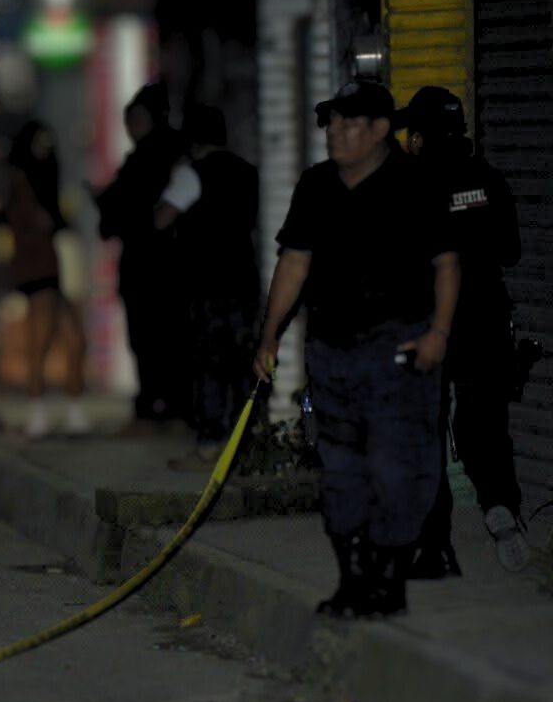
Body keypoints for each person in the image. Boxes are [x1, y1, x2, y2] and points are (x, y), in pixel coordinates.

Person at [253, 80, 459, 618]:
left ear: (379, 130)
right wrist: (270, 335)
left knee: (396, 469)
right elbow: (294, 262)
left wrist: (438, 333)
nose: (334, 134)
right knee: (342, 472)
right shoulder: (317, 186)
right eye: (331, 123)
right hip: (333, 350)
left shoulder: (414, 185)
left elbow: (446, 265)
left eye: (347, 124)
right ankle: (353, 579)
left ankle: (388, 581)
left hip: (397, 348)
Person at [398, 86, 530, 575]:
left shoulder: (410, 185)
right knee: (483, 426)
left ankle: (434, 549)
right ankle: (500, 503)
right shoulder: (489, 179)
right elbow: (511, 252)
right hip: (486, 319)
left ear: (422, 135)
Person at [153, 105, 259, 471]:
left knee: (209, 363)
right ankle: (248, 442)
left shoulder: (191, 174)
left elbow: (162, 218)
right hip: (244, 279)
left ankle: (211, 445)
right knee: (243, 363)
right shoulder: (248, 172)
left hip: (206, 284)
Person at [96, 82, 189, 429]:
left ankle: (159, 403)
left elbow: (122, 213)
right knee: (163, 338)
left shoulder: (147, 160)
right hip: (166, 266)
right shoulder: (172, 154)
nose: (131, 129)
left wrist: (107, 203)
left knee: (152, 339)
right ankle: (166, 403)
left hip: (151, 266)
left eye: (136, 120)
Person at [3, 119, 88, 437]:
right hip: (39, 272)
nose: (46, 148)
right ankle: (37, 413)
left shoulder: (44, 180)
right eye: (39, 142)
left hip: (54, 270)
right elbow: (29, 226)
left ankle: (72, 411)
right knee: (41, 342)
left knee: (75, 341)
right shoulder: (21, 181)